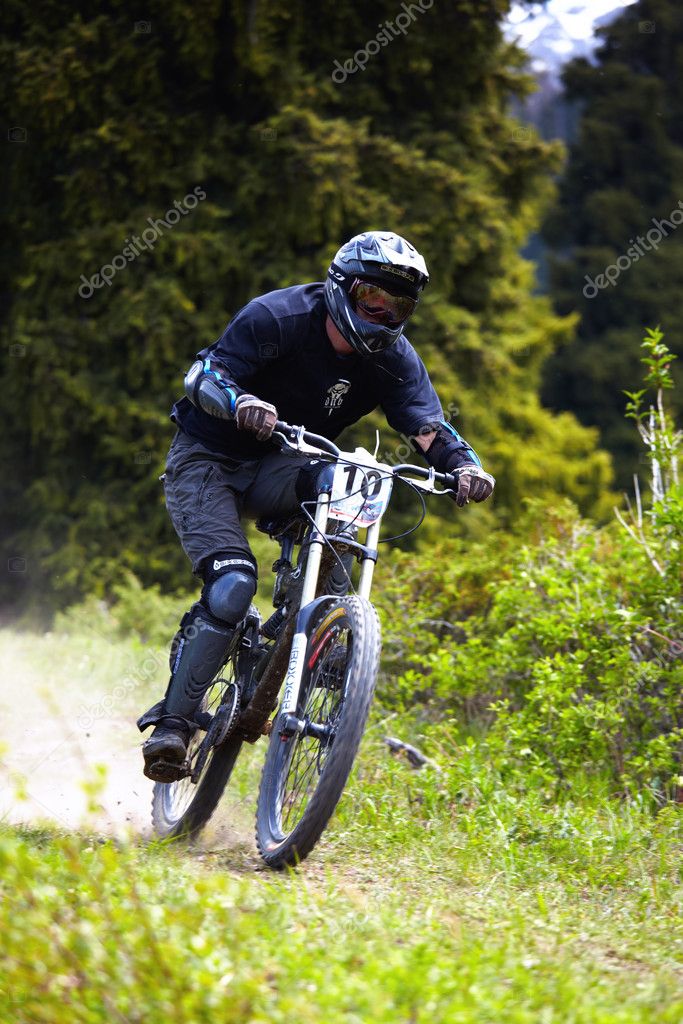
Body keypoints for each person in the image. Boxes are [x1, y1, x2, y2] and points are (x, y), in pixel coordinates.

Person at [137, 230, 495, 781]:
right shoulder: (277, 318)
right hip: (208, 459)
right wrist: (241, 402)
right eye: (372, 298)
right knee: (232, 585)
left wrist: (464, 466)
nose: (382, 313)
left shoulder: (394, 360)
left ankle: (319, 618)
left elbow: (427, 427)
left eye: (397, 304)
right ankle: (175, 725)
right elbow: (202, 375)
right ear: (341, 287)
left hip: (284, 466)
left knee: (347, 484)